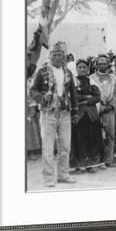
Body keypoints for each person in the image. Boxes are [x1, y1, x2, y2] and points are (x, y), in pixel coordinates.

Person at [29, 41, 79, 187]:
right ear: (49, 56)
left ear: (64, 56)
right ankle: (48, 177)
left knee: (65, 146)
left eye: (60, 54)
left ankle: (63, 175)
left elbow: (73, 93)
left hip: (64, 113)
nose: (57, 57)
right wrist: (42, 97)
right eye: (54, 54)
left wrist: (75, 111)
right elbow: (32, 90)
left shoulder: (68, 72)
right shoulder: (42, 71)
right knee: (48, 147)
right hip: (47, 113)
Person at [69, 59, 102, 173]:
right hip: (78, 115)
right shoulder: (72, 81)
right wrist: (86, 97)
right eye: (80, 67)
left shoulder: (92, 81)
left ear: (88, 69)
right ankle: (79, 165)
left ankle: (90, 165)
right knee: (78, 140)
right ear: (76, 69)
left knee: (91, 139)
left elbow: (97, 97)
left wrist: (87, 101)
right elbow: (73, 96)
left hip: (91, 115)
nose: (82, 69)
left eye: (84, 67)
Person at [90, 56, 116, 168]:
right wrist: (101, 107)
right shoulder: (91, 78)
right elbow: (92, 93)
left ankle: (109, 159)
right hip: (98, 108)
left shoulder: (112, 78)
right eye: (100, 64)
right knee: (97, 134)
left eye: (104, 64)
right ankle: (97, 160)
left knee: (110, 134)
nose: (102, 66)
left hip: (110, 109)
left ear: (108, 65)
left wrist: (112, 105)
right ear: (96, 65)